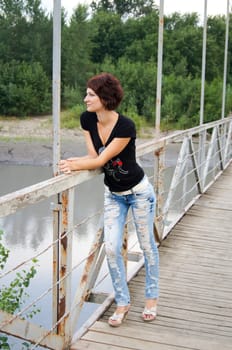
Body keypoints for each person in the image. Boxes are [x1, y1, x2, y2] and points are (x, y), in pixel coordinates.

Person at [59, 72, 159, 327]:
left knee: (147, 246)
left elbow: (101, 161)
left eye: (91, 95)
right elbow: (94, 157)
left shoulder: (125, 126)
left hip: (139, 193)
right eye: (87, 94)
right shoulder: (87, 120)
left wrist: (73, 163)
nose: (85, 99)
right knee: (112, 249)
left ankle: (151, 299)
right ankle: (123, 302)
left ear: (105, 97)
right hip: (113, 195)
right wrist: (77, 163)